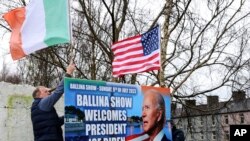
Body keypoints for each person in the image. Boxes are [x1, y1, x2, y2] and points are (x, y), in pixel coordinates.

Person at [31, 62, 76, 141]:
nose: (49, 92)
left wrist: (69, 115)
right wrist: (68, 73)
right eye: (46, 91)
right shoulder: (43, 103)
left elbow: (55, 123)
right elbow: (58, 92)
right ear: (39, 95)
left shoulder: (38, 107)